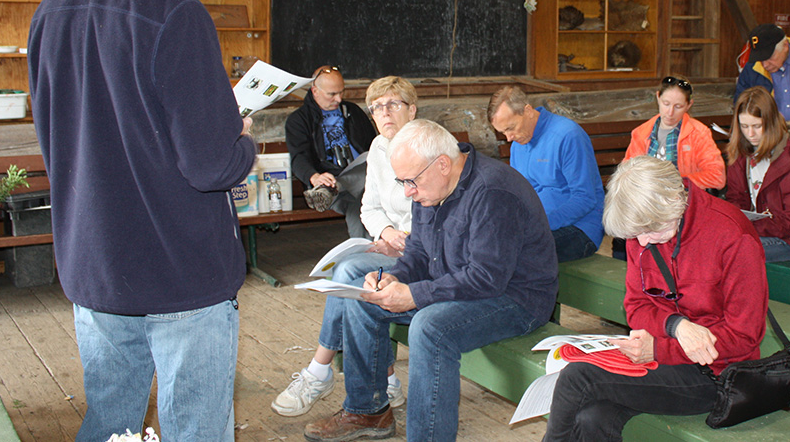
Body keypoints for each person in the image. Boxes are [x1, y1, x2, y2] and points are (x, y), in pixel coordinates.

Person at [28, 0, 256, 442]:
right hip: (180, 274)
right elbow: (211, 166)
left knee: (109, 426)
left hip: (96, 269)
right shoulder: (176, 13)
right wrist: (243, 138)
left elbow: (62, 135)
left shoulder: (51, 11)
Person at [304, 119, 558, 442]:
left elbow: (486, 279)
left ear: (442, 164)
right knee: (363, 299)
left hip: (516, 299)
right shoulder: (429, 186)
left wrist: (414, 295)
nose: (408, 191)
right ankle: (368, 411)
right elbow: (420, 255)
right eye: (402, 182)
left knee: (430, 328)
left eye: (411, 181)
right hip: (463, 283)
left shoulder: (493, 192)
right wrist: (391, 278)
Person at [543, 156, 768, 442]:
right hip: (662, 361)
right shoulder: (644, 228)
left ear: (675, 201)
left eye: (651, 231)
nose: (644, 242)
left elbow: (744, 336)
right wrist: (676, 326)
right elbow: (635, 307)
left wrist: (661, 350)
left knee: (578, 377)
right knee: (592, 418)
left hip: (717, 374)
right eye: (637, 235)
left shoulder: (732, 236)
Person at [272, 76, 418, 418]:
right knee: (350, 266)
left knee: (351, 272)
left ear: (411, 110)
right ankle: (385, 379)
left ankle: (319, 371)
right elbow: (370, 206)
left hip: (422, 250)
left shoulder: (425, 145)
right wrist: (383, 231)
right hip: (389, 240)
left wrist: (404, 237)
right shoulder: (380, 148)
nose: (384, 113)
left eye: (393, 105)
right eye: (377, 107)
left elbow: (436, 209)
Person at [488, 85, 605, 262]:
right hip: (538, 224)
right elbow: (520, 196)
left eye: (510, 128)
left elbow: (585, 198)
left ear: (527, 111)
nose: (508, 138)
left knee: (511, 253)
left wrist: (539, 224)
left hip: (580, 228)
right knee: (485, 241)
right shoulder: (517, 145)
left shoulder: (568, 136)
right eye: (503, 132)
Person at [725, 86, 790, 266]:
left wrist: (751, 226)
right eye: (744, 126)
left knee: (737, 250)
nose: (750, 134)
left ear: (771, 122)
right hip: (755, 232)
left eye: (757, 126)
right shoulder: (740, 155)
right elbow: (735, 200)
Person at [285, 64, 377, 239]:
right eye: (332, 94)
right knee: (360, 203)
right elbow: (298, 157)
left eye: (342, 92)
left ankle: (337, 187)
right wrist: (314, 177)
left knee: (368, 159)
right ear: (315, 91)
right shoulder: (299, 120)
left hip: (358, 178)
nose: (339, 99)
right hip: (328, 178)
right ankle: (365, 256)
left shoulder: (353, 112)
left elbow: (374, 145)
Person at [624, 76, 724, 191]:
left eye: (678, 106)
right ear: (658, 97)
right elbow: (628, 172)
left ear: (688, 105)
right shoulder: (641, 133)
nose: (670, 112)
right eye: (666, 104)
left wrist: (676, 183)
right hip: (648, 197)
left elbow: (717, 176)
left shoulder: (699, 133)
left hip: (683, 199)